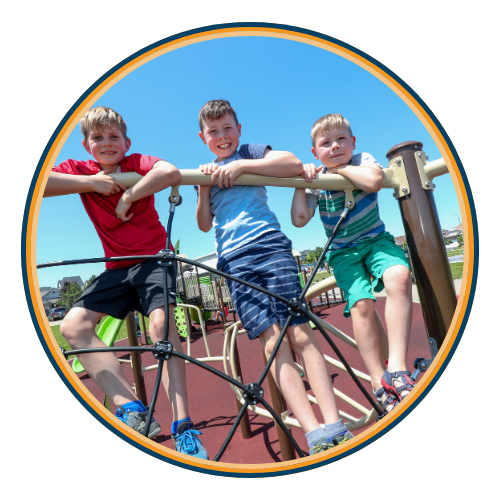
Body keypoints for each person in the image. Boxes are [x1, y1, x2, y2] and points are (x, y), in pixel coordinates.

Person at [44, 106, 208, 459]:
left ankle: (184, 425)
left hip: (153, 259)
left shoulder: (136, 163)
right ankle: (133, 408)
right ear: (87, 146)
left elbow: (170, 171)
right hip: (116, 268)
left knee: (162, 327)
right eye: (97, 138)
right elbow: (41, 184)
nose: (106, 143)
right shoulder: (81, 170)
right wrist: (90, 183)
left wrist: (130, 194)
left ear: (126, 142)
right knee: (73, 326)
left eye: (113, 136)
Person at [195, 99, 352, 455]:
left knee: (298, 331)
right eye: (213, 132)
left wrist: (243, 166)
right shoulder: (204, 173)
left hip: (269, 245)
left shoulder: (250, 152)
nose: (221, 136)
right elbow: (204, 223)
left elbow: (292, 163)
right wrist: (204, 187)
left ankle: (334, 422)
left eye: (227, 129)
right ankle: (313, 433)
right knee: (272, 342)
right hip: (233, 261)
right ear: (203, 137)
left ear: (239, 130)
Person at [291, 113, 415, 413]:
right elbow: (299, 219)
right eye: (326, 143)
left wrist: (343, 170)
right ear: (314, 152)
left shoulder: (361, 160)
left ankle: (397, 367)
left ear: (353, 141)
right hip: (343, 252)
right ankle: (377, 381)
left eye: (341, 139)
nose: (334, 146)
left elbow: (373, 181)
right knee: (361, 305)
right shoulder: (316, 179)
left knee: (399, 275)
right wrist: (299, 182)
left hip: (376, 241)